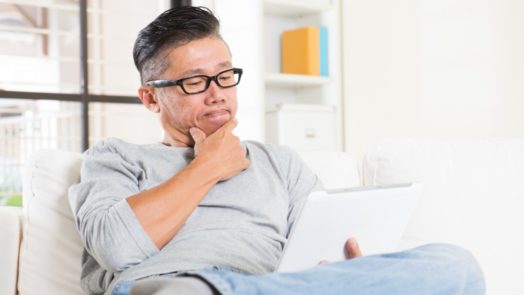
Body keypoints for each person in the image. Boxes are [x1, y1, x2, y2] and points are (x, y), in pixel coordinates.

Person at [69, 6, 485, 295]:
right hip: (178, 284)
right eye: (195, 82)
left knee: (455, 265)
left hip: (273, 285)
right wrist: (208, 166)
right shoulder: (114, 157)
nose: (217, 94)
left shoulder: (279, 163)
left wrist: (347, 267)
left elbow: (320, 248)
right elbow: (114, 247)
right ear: (150, 98)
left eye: (225, 76)